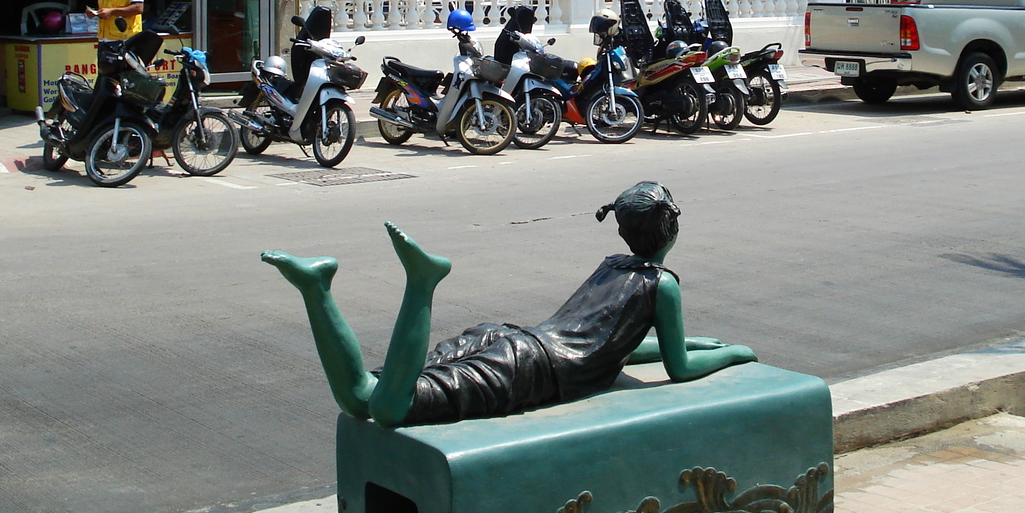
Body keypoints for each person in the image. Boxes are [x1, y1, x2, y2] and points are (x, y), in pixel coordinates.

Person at [262, 181, 756, 428]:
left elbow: (615, 346)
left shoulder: (612, 265)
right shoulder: (661, 284)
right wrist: (733, 352)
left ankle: (316, 288)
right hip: (531, 368)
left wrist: (692, 338)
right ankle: (422, 282)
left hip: (512, 341)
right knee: (393, 407)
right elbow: (681, 368)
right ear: (671, 230)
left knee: (362, 395)